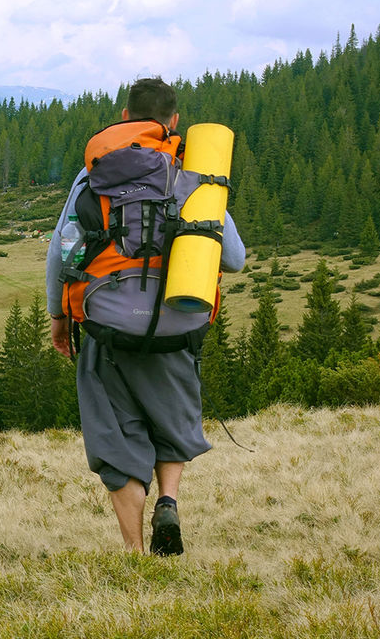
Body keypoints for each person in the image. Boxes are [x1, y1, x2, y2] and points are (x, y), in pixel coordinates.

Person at [45, 77, 245, 555]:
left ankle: (135, 554)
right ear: (172, 122)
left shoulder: (92, 176)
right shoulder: (192, 174)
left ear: (123, 117)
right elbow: (234, 257)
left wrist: (58, 316)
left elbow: (61, 252)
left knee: (118, 439)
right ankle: (169, 500)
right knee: (171, 421)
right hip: (178, 324)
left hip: (107, 326)